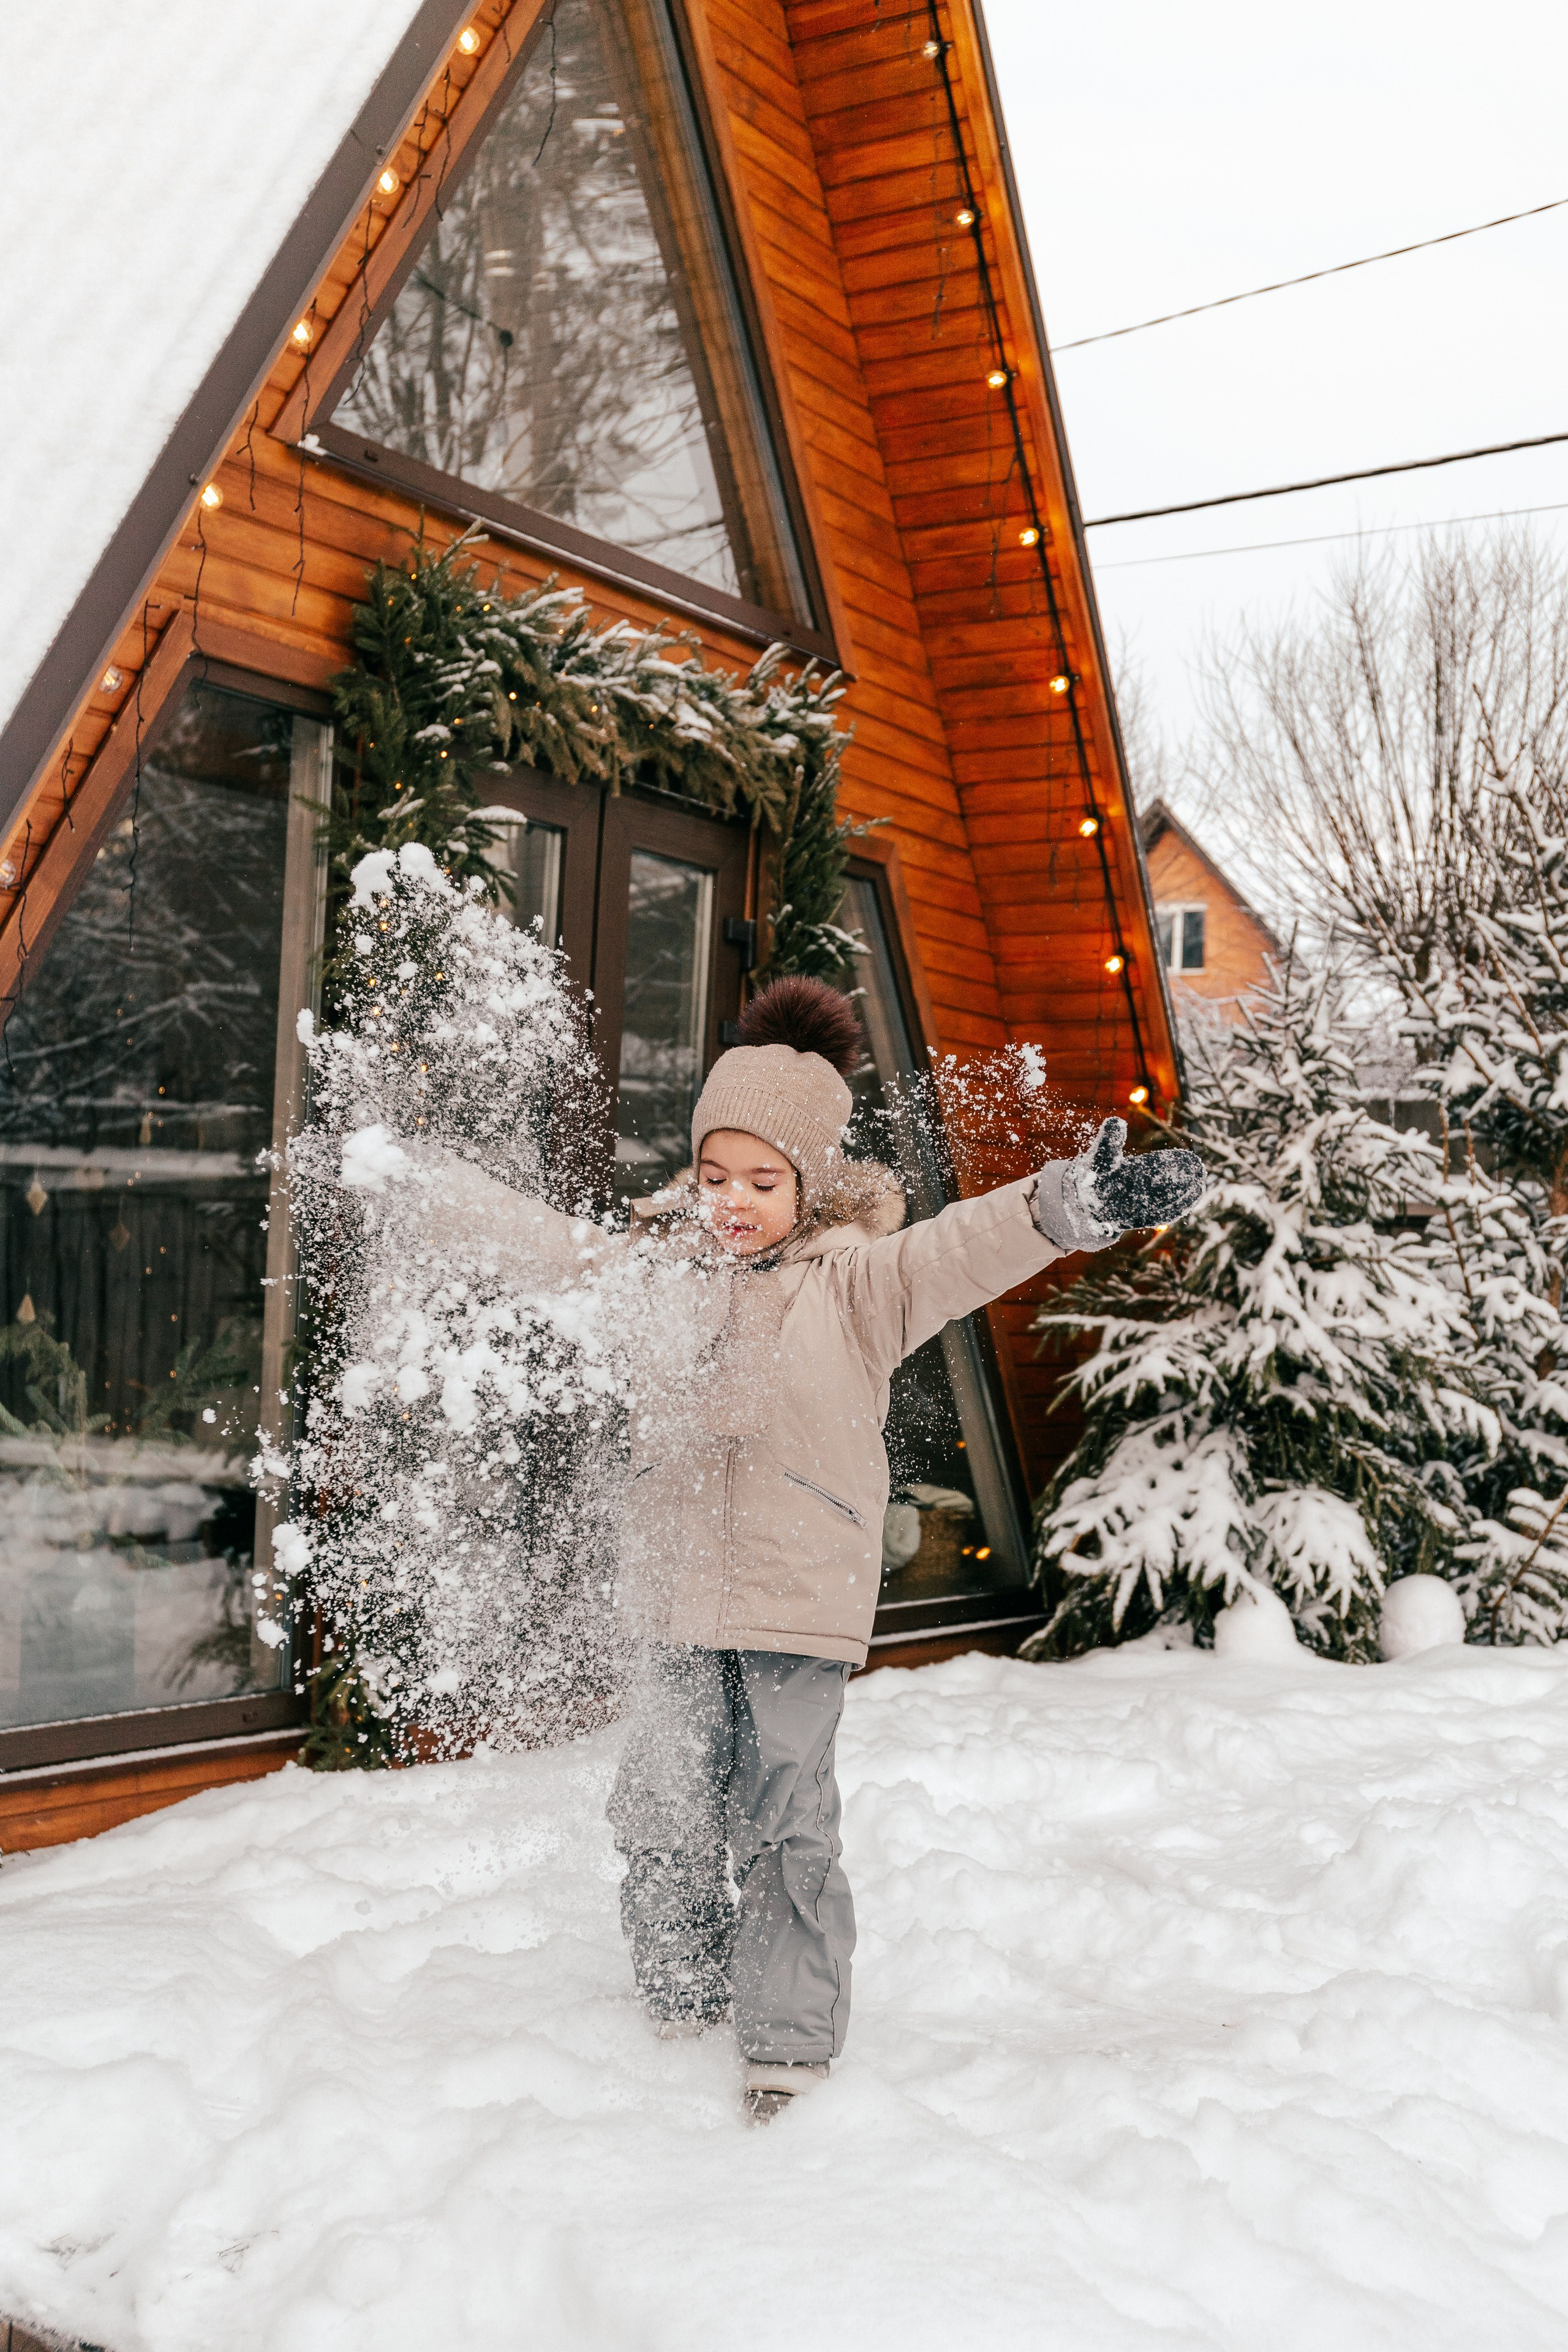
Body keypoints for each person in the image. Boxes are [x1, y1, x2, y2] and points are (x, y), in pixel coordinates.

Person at [405, 974, 1207, 2121]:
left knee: (785, 1815)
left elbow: (970, 1245)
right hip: (672, 1593)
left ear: (812, 1183)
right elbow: (545, 1252)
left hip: (794, 1598)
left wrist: (1066, 1203)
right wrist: (427, 1188)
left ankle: (784, 2039)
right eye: (715, 1175)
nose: (734, 1201)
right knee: (664, 1801)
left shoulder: (864, 1284)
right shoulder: (657, 1271)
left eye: (764, 1181)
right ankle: (678, 1999)